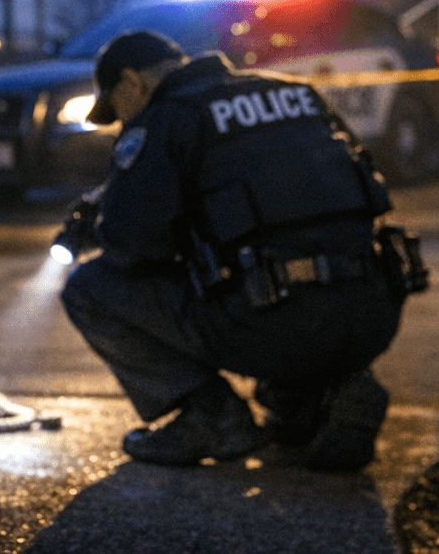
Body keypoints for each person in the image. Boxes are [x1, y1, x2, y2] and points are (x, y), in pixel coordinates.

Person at [57, 30, 413, 471]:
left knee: (90, 288)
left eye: (115, 108)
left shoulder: (167, 118)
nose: (119, 120)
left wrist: (101, 225)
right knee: (260, 268)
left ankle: (214, 418)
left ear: (132, 82)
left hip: (274, 319)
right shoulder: (295, 93)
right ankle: (323, 395)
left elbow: (135, 247)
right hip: (372, 309)